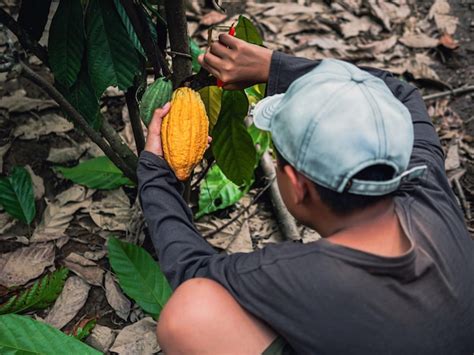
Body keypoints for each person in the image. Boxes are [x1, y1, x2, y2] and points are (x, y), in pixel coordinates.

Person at [138, 34, 474, 354]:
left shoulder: (299, 277)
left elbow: (191, 269)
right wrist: (271, 65)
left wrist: (156, 170)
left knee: (188, 316)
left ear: (297, 185)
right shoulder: (426, 185)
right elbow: (400, 91)